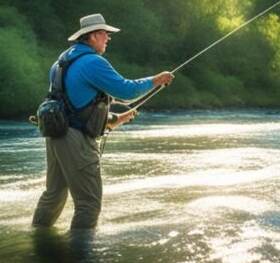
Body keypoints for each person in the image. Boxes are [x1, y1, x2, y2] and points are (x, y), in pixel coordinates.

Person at [32, 13, 174, 230]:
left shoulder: (62, 60)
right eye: (104, 34)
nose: (108, 38)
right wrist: (156, 80)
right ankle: (81, 259)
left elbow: (77, 102)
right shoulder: (93, 62)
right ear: (91, 36)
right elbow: (127, 91)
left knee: (53, 195)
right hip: (75, 140)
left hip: (55, 135)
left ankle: (38, 242)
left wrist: (116, 118)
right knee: (88, 204)